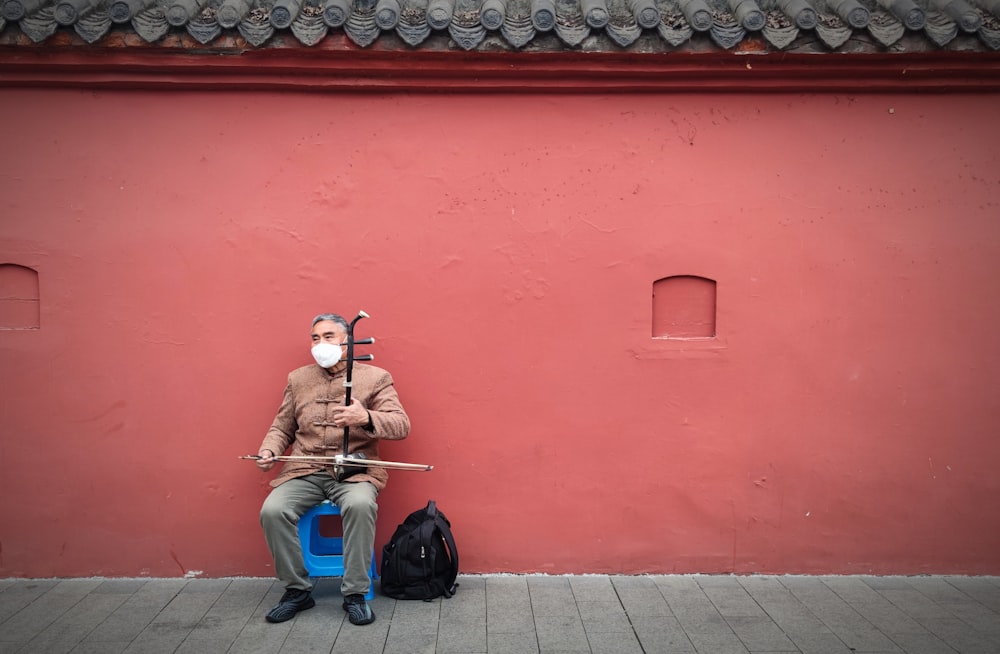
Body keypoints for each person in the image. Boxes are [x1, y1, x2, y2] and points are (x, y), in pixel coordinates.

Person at [255, 312, 410, 626]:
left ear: (347, 341)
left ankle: (354, 594)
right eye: (315, 337)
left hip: (354, 470)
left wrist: (365, 417)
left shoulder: (375, 377)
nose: (320, 343)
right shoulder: (298, 378)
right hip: (306, 468)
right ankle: (297, 591)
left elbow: (401, 425)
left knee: (360, 504)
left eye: (328, 336)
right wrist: (269, 449)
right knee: (273, 511)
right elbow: (282, 426)